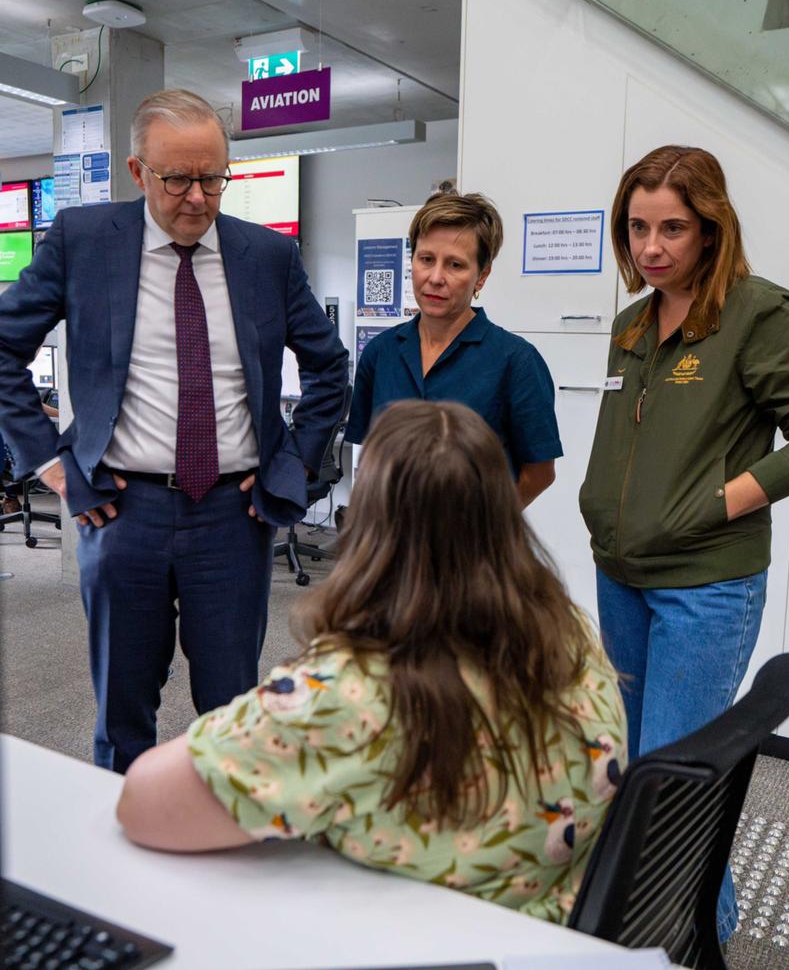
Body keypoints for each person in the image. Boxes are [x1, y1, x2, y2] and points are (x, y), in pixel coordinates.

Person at [117, 400, 626, 924]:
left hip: (419, 947)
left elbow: (141, 803)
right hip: (557, 940)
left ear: (371, 524)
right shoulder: (569, 631)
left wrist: (277, 705)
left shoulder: (347, 694)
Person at [0, 89, 348, 773]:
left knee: (232, 713)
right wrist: (48, 465)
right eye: (177, 179)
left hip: (232, 514)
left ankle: (225, 856)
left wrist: (292, 470)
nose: (198, 197)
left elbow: (328, 369)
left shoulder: (266, 257)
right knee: (122, 712)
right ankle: (117, 857)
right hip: (122, 509)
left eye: (213, 177)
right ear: (137, 172)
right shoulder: (83, 240)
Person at [579, 144, 789, 941]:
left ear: (711, 228)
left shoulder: (760, 312)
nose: (651, 247)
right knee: (643, 773)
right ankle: (701, 933)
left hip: (706, 585)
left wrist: (723, 502)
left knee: (671, 782)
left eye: (672, 228)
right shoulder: (632, 320)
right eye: (638, 228)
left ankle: (678, 942)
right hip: (621, 576)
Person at [345, 191, 562, 508]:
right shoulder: (381, 353)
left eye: (455, 265)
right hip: (391, 545)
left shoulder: (516, 361)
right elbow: (369, 455)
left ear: (481, 276)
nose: (435, 278)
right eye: (426, 259)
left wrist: (484, 532)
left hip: (472, 552)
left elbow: (540, 471)